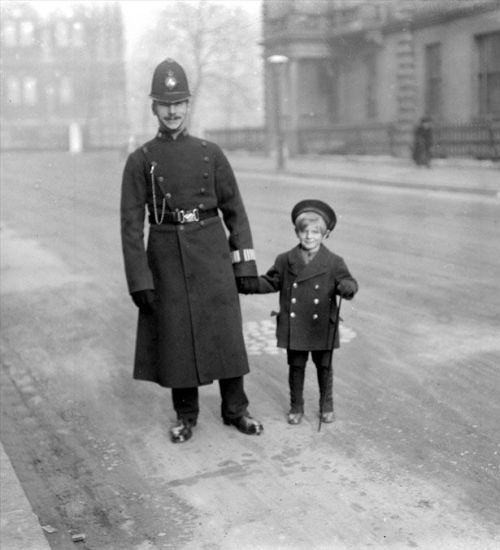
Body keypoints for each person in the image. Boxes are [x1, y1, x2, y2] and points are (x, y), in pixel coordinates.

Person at [120, 58, 263, 443]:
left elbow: (235, 211)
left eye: (179, 102)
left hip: (211, 249)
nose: (172, 111)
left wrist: (244, 265)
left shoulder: (211, 154)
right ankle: (186, 416)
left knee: (225, 330)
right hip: (166, 253)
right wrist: (139, 280)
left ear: (188, 105)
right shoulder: (140, 161)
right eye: (165, 104)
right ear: (154, 107)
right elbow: (131, 227)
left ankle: (236, 409)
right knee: (176, 334)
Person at [239, 200, 358, 425]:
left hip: (322, 324)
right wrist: (248, 285)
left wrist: (347, 287)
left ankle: (326, 405)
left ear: (325, 235)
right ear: (297, 232)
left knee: (324, 367)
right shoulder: (285, 260)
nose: (310, 237)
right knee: (296, 368)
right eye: (304, 232)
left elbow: (348, 281)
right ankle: (296, 406)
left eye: (315, 232)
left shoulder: (334, 262)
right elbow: (271, 281)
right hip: (295, 326)